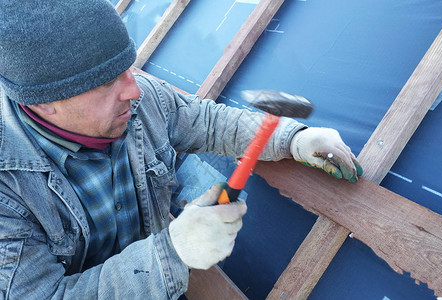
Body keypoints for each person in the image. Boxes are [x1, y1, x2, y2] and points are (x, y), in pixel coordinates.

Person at [0, 0, 362, 299]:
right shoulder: (7, 189)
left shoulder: (143, 101)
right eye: (109, 82)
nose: (134, 90)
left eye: (128, 68)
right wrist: (173, 253)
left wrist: (293, 139)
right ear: (46, 102)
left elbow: (207, 121)